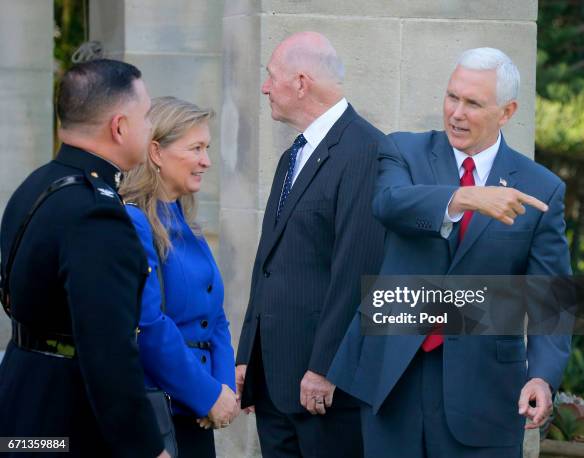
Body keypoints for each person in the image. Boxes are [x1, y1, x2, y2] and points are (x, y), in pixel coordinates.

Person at [328, 47, 572, 457]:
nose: (456, 113)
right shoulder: (402, 150)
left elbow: (553, 297)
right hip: (392, 378)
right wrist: (465, 198)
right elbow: (389, 203)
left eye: (473, 103)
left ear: (507, 111)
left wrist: (543, 377)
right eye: (452, 97)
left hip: (485, 389)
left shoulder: (541, 188)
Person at [0, 59, 170, 457]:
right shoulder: (96, 213)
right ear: (119, 126)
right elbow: (108, 351)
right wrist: (147, 448)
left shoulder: (37, 184)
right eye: (146, 117)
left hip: (20, 397)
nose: (150, 129)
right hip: (65, 419)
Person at [235, 32, 385, 457]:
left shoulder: (365, 150)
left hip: (321, 390)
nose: (265, 87)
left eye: (271, 76)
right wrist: (248, 354)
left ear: (301, 82)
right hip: (273, 384)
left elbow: (357, 272)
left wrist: (324, 367)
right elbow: (269, 262)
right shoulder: (292, 155)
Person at [120, 96, 239, 458]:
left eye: (207, 148)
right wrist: (204, 394)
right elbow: (149, 325)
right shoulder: (134, 222)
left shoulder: (187, 223)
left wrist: (223, 389)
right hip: (163, 411)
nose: (206, 161)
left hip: (199, 410)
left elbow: (216, 318)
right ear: (156, 152)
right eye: (196, 148)